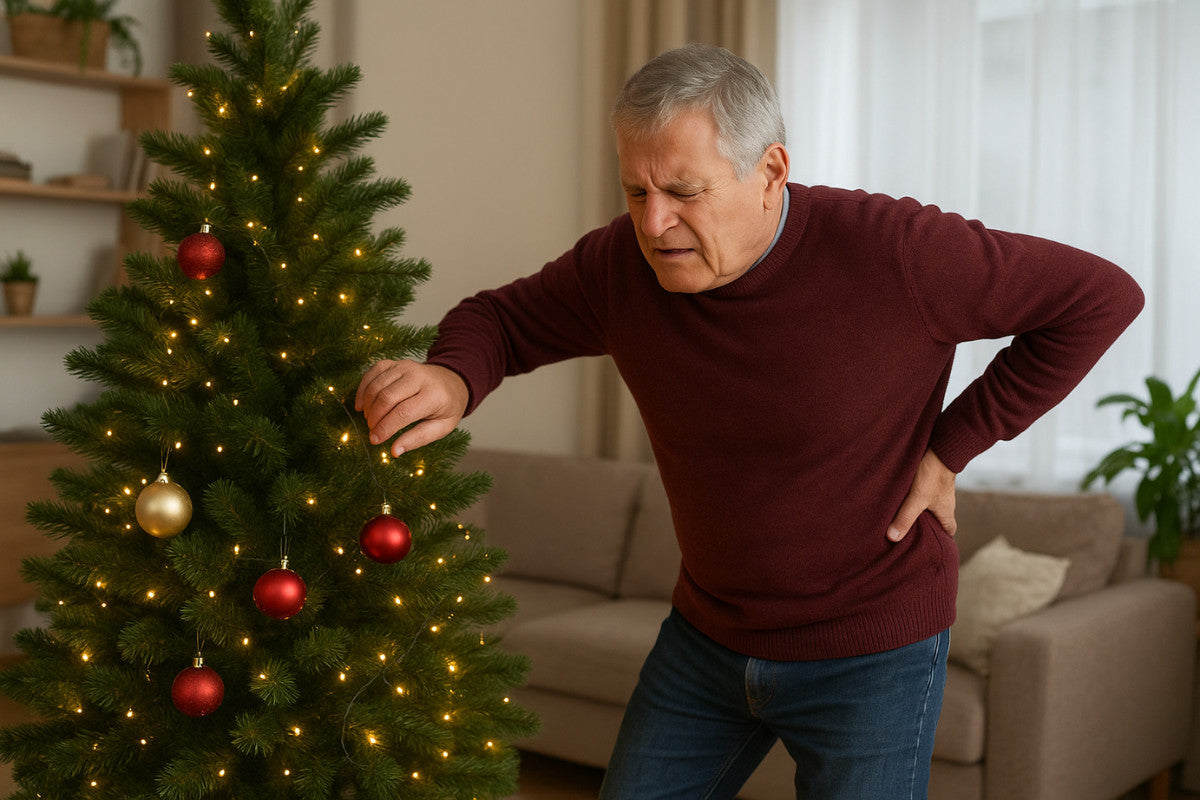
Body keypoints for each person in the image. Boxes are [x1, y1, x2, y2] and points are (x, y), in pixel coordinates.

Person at [356, 43, 1143, 800]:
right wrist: (453, 376)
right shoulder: (619, 270)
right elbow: (500, 318)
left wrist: (951, 447)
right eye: (635, 191)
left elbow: (1099, 297)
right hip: (706, 638)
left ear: (771, 171)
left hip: (873, 650)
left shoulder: (896, 253)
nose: (654, 223)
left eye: (684, 192)